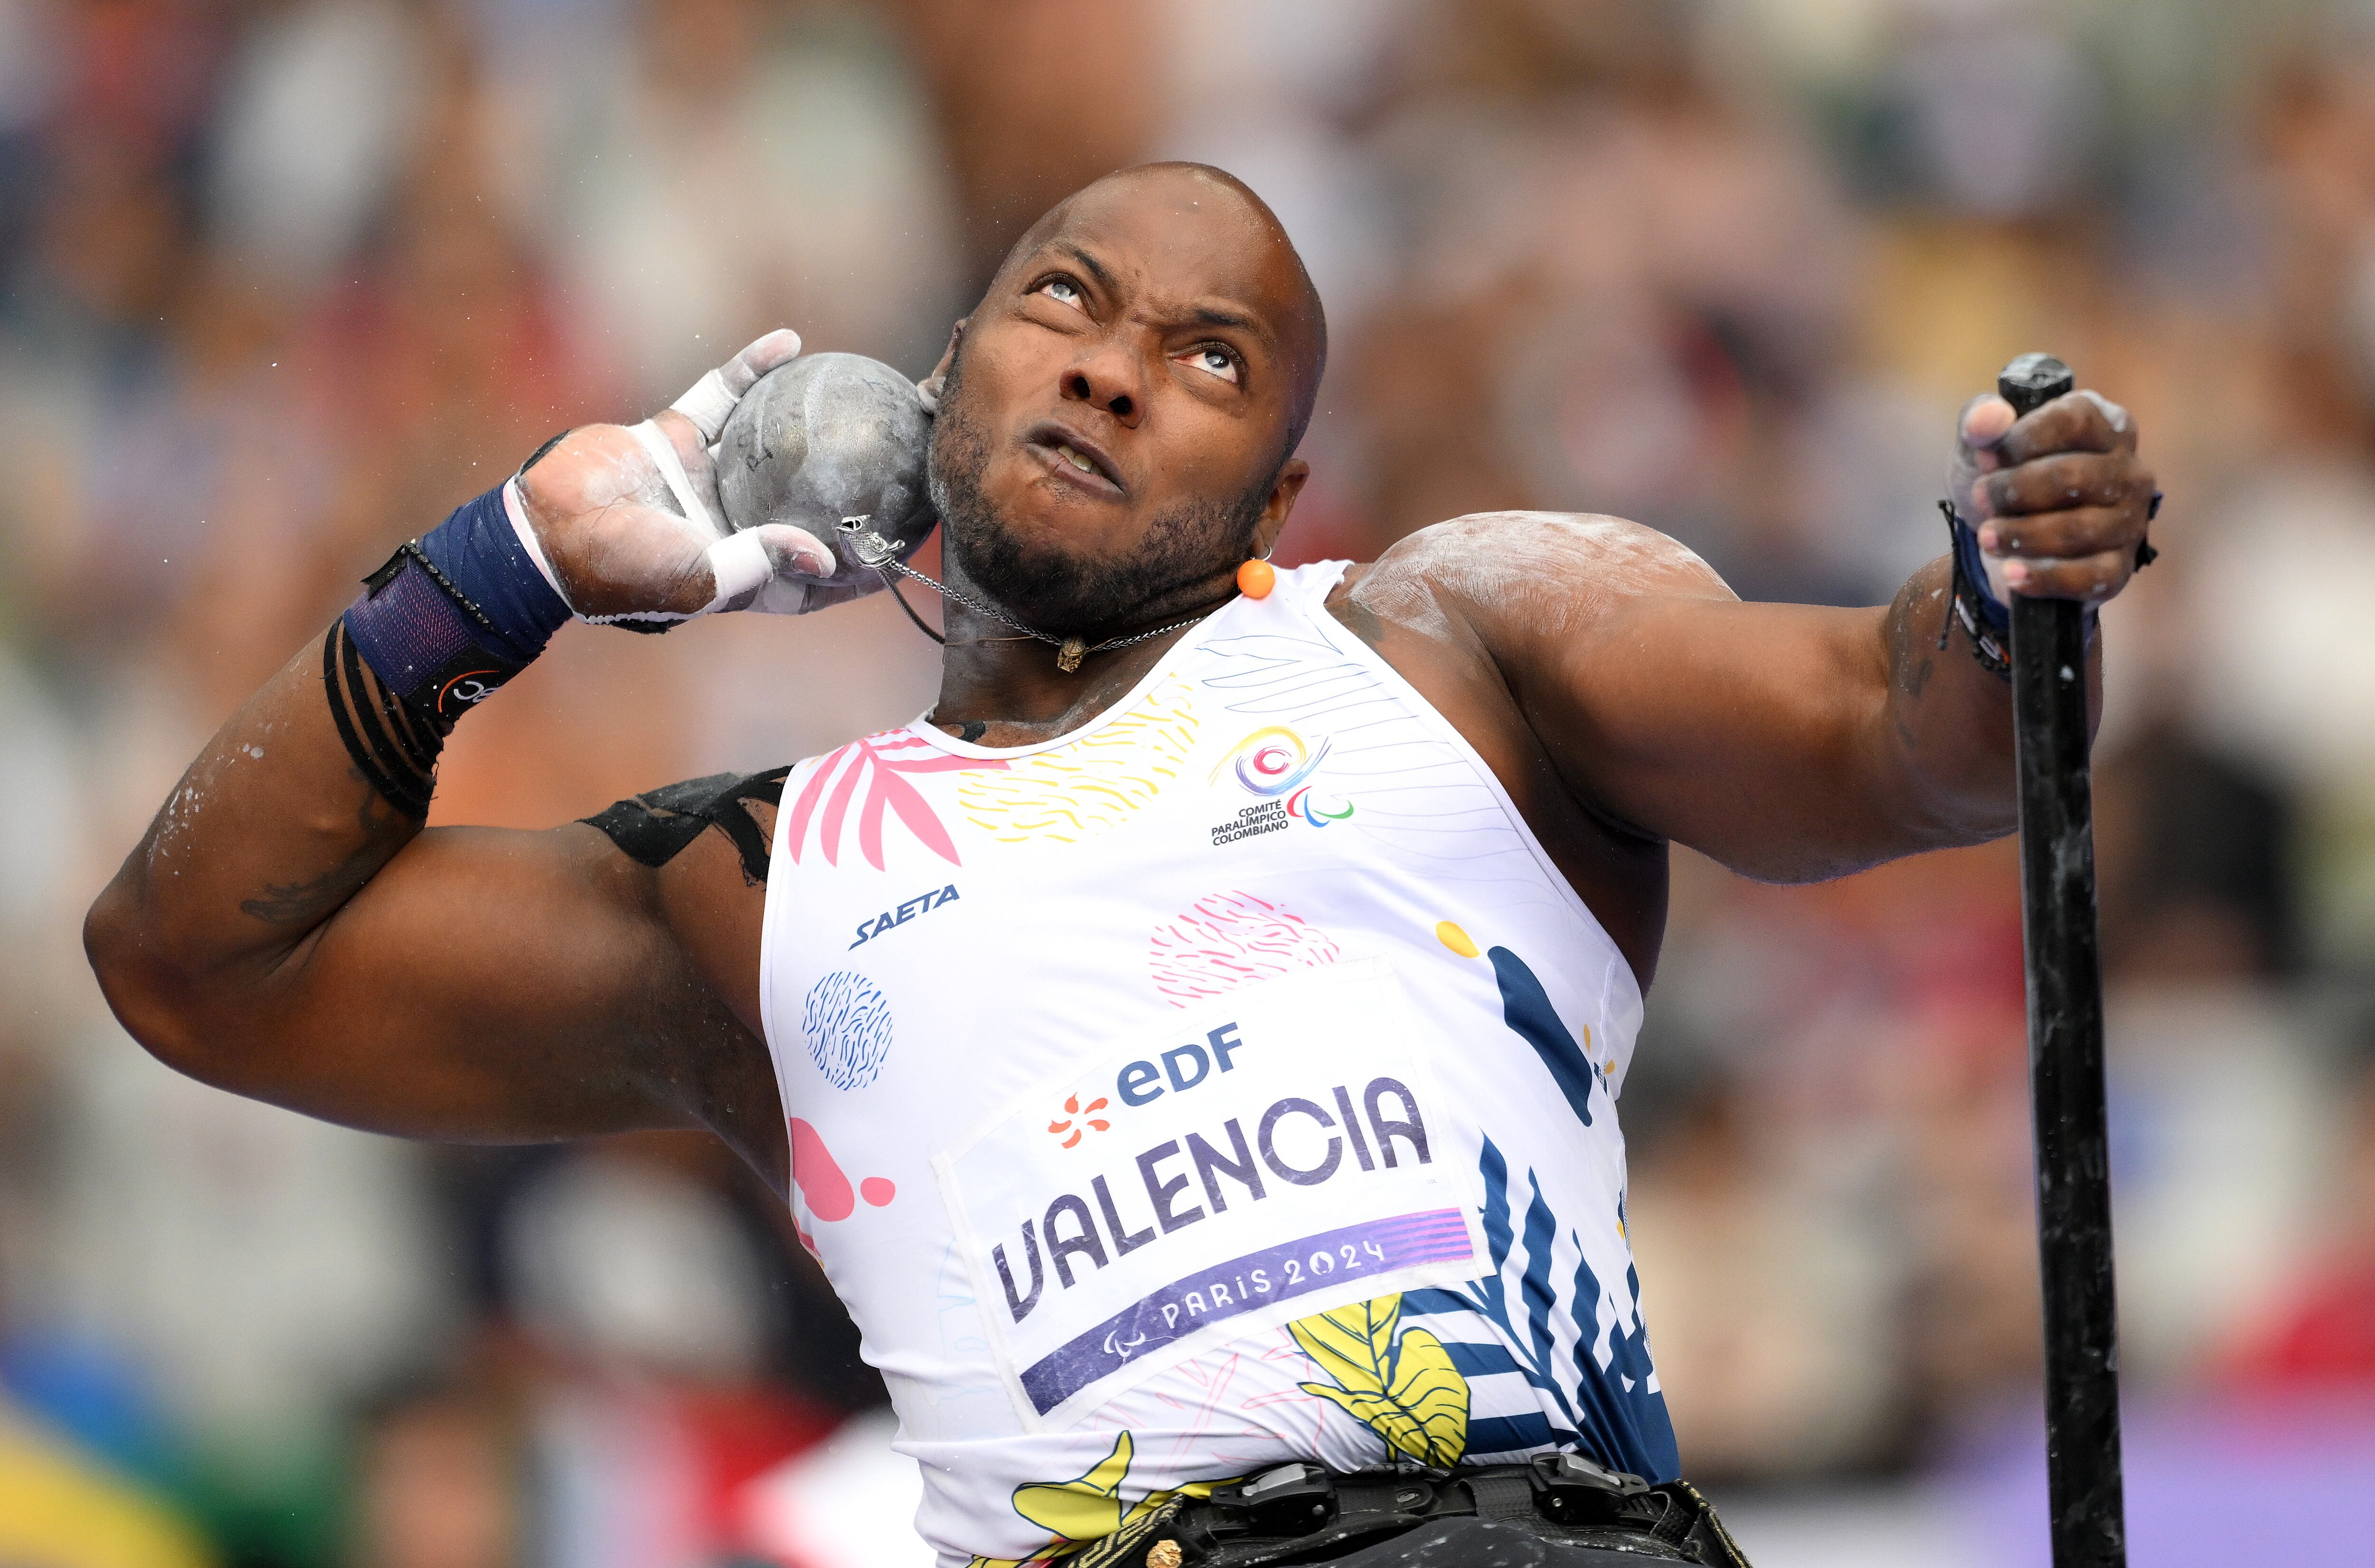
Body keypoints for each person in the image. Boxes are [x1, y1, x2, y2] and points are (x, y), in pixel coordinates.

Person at [85, 163, 2155, 1568]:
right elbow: (195, 965)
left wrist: (2003, 588)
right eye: (1064, 303)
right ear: (945, 375)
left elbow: (1899, 730)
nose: (1110, 367)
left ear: (1278, 488)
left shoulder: (1446, 637)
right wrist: (503, 567)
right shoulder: (755, 880)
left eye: (1209, 357)